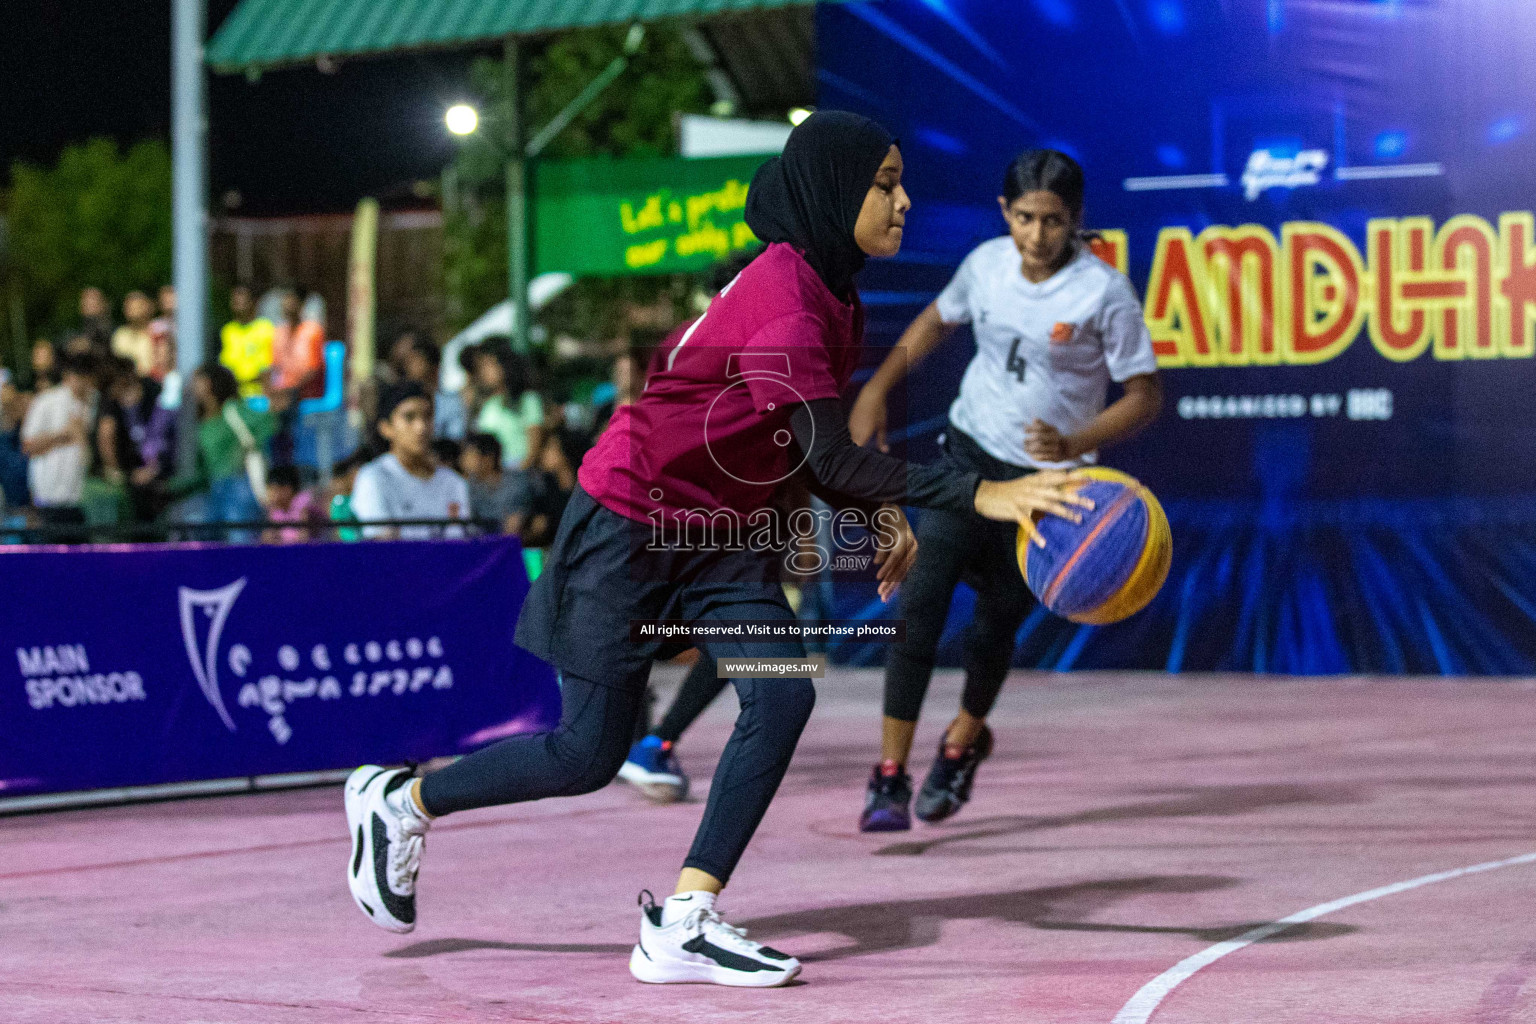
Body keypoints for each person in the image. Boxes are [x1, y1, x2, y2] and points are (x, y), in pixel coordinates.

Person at [341, 111, 1090, 988]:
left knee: (779, 698)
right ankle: (401, 800)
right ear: (836, 189)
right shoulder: (784, 300)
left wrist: (875, 509)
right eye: (885, 184)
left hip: (723, 536)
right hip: (632, 523)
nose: (904, 200)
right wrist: (977, 491)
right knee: (587, 753)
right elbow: (829, 452)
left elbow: (791, 442)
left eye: (899, 181)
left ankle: (684, 920)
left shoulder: (831, 290)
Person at [848, 149, 1163, 832]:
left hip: (1048, 490)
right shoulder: (986, 264)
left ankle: (961, 744)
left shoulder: (1103, 292)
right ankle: (890, 777)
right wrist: (876, 389)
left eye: (1053, 221)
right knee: (921, 607)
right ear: (1004, 213)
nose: (1038, 234)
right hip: (968, 462)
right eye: (1024, 217)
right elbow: (935, 320)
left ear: (1077, 220)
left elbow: (1144, 397)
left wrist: (1077, 441)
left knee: (994, 628)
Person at [165, 363, 276, 540]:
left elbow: (268, 423)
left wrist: (243, 452)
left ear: (208, 383)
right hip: (214, 495)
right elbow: (202, 473)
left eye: (197, 380)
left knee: (240, 546)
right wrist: (170, 488)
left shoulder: (233, 410)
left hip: (239, 489)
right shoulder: (201, 423)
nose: (192, 386)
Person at [351, 382, 470, 540]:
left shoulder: (453, 483)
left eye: (427, 416)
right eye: (409, 417)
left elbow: (460, 544)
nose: (421, 427)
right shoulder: (373, 478)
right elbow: (381, 546)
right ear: (386, 428)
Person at [20, 352, 97, 529]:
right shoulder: (47, 401)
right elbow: (27, 446)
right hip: (50, 497)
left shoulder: (96, 401)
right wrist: (63, 435)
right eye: (78, 375)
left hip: (83, 500)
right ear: (67, 375)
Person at [92, 356, 164, 524]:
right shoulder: (110, 403)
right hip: (129, 481)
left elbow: (166, 432)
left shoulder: (154, 393)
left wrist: (154, 468)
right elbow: (106, 436)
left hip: (157, 479)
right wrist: (117, 472)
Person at [469, 342, 543, 469]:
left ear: (505, 367)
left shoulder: (528, 400)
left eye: (490, 365)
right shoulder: (489, 404)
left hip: (518, 473)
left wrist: (518, 473)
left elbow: (534, 447)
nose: (484, 371)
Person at [459, 432, 532, 535]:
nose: (464, 460)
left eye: (470, 455)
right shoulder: (468, 486)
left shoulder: (516, 482)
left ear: (488, 458)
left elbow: (517, 521)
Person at [220, 285, 275, 400]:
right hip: (234, 396)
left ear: (251, 303)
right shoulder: (228, 331)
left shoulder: (265, 328)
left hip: (259, 395)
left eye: (242, 302)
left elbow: (269, 367)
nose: (238, 306)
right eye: (235, 302)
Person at [262, 464, 322, 544]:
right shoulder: (275, 510)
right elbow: (268, 537)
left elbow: (304, 538)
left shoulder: (304, 503)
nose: (270, 494)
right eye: (269, 489)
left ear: (287, 489)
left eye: (274, 489)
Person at [111, 291, 157, 379]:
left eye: (137, 306)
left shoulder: (157, 332)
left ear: (148, 307)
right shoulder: (120, 334)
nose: (132, 310)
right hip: (126, 382)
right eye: (129, 307)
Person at [76, 286, 114, 356]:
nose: (88, 303)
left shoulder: (111, 331)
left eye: (92, 299)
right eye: (85, 299)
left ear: (103, 304)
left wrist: (89, 346)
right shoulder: (75, 330)